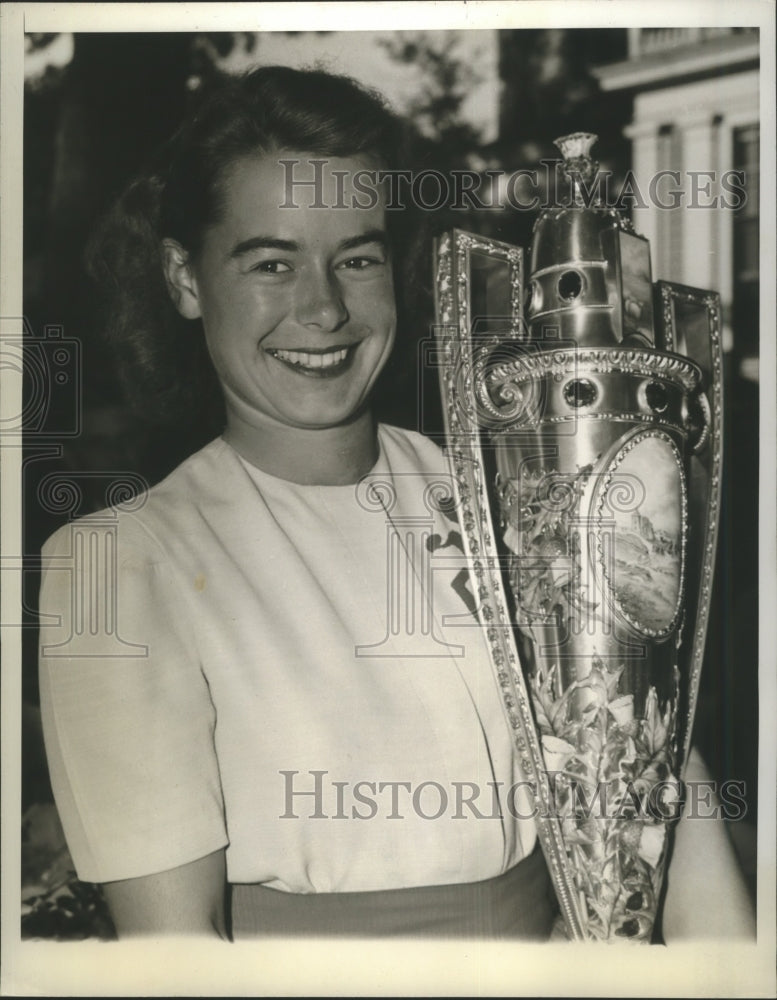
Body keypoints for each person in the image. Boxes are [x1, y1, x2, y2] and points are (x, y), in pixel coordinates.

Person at [38, 65, 754, 942]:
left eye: (357, 259)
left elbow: (659, 765)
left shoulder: (518, 493)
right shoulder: (121, 564)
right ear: (185, 278)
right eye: (271, 262)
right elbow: (174, 955)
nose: (324, 308)